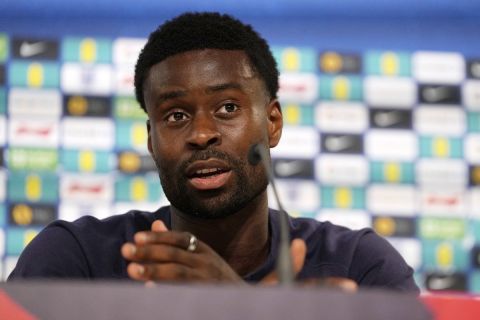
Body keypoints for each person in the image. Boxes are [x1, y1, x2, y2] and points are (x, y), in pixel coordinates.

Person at [8, 12, 418, 292]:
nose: (202, 134)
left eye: (227, 108)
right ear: (151, 140)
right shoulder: (75, 261)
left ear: (272, 123)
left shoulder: (357, 268)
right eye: (175, 115)